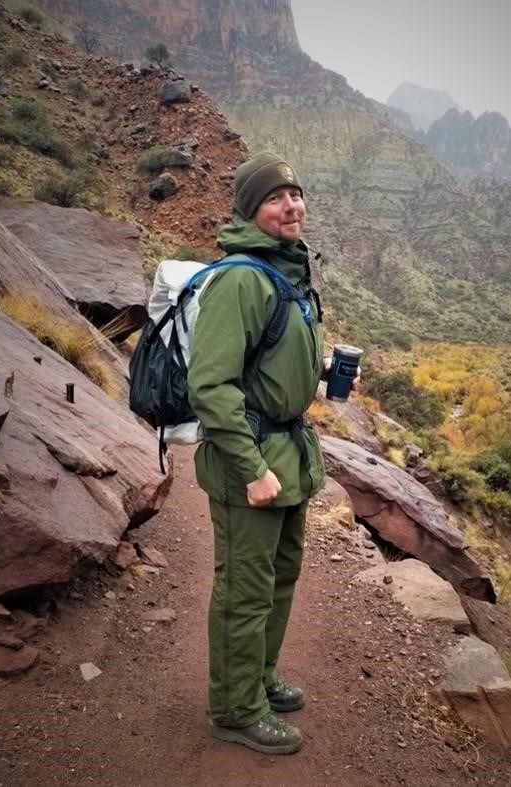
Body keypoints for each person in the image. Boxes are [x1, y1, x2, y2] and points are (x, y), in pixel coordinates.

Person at [187, 151, 326, 755]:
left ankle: (258, 679)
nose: (290, 205)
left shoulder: (287, 273)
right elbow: (210, 386)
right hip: (254, 461)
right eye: (275, 197)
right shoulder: (242, 278)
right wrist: (253, 470)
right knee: (245, 587)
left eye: (294, 194)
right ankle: (235, 709)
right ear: (251, 208)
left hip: (287, 455)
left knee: (278, 578)